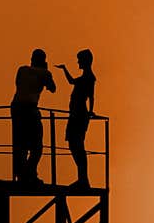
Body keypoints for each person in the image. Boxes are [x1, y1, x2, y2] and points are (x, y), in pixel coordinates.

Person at [11, 49, 56, 185]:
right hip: (29, 108)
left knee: (20, 144)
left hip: (16, 107)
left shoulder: (22, 69)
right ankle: (30, 172)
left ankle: (22, 174)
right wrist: (45, 72)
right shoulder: (45, 73)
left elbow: (18, 84)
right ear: (43, 61)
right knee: (37, 146)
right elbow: (53, 88)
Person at [55, 49, 96, 188]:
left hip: (79, 115)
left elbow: (91, 95)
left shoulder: (89, 77)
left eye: (79, 60)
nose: (78, 62)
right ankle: (82, 178)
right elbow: (71, 81)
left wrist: (90, 111)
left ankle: (83, 179)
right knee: (74, 145)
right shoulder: (84, 77)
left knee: (77, 145)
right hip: (75, 114)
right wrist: (64, 69)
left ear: (85, 61)